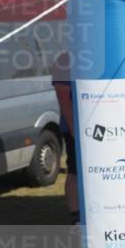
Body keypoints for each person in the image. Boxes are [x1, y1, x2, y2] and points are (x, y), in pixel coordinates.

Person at [50, 50, 79, 225]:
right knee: (75, 170)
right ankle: (76, 217)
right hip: (73, 127)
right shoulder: (64, 60)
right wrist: (73, 128)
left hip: (99, 128)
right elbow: (63, 97)